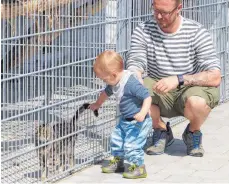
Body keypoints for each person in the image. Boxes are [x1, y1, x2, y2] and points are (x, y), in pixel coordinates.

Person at [126, 0, 221, 157]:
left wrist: (179, 79)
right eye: (155, 10)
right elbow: (136, 61)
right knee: (133, 90)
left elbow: (215, 76)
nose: (159, 16)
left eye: (165, 12)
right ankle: (161, 130)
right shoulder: (143, 30)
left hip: (189, 88)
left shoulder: (196, 32)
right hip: (158, 86)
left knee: (197, 103)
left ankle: (193, 131)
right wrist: (135, 77)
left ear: (179, 8)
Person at [89, 50, 152, 179]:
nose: (104, 82)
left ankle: (139, 167)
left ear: (113, 74)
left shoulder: (130, 83)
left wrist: (142, 112)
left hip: (138, 121)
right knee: (116, 139)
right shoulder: (114, 81)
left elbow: (147, 97)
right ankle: (118, 162)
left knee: (132, 145)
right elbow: (106, 93)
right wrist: (97, 104)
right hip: (125, 119)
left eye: (104, 79)